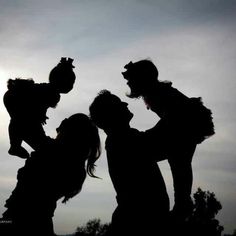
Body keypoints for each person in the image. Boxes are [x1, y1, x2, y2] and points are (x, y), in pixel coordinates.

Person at [122, 59, 215, 220]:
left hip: (185, 126)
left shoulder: (157, 92)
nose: (128, 82)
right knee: (179, 165)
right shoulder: (154, 92)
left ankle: (180, 204)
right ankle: (182, 204)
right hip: (185, 128)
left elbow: (173, 116)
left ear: (142, 79)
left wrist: (149, 134)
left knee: (175, 162)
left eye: (130, 79)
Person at [1, 113, 101, 236]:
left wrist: (36, 115)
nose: (63, 119)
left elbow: (20, 121)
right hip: (38, 222)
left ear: (72, 130)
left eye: (68, 120)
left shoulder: (52, 150)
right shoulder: (71, 162)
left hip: (18, 220)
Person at [89, 90, 169, 236]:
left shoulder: (121, 140)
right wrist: (173, 110)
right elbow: (160, 142)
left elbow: (160, 144)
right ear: (112, 114)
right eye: (119, 103)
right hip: (138, 224)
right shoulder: (121, 140)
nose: (125, 103)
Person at [3, 57, 76, 159]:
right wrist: (41, 116)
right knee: (20, 122)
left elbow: (40, 103)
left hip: (13, 97)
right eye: (71, 83)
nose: (71, 87)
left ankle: (15, 146)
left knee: (18, 122)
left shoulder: (47, 89)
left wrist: (41, 116)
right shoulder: (53, 94)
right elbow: (41, 103)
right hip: (17, 98)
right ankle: (16, 146)